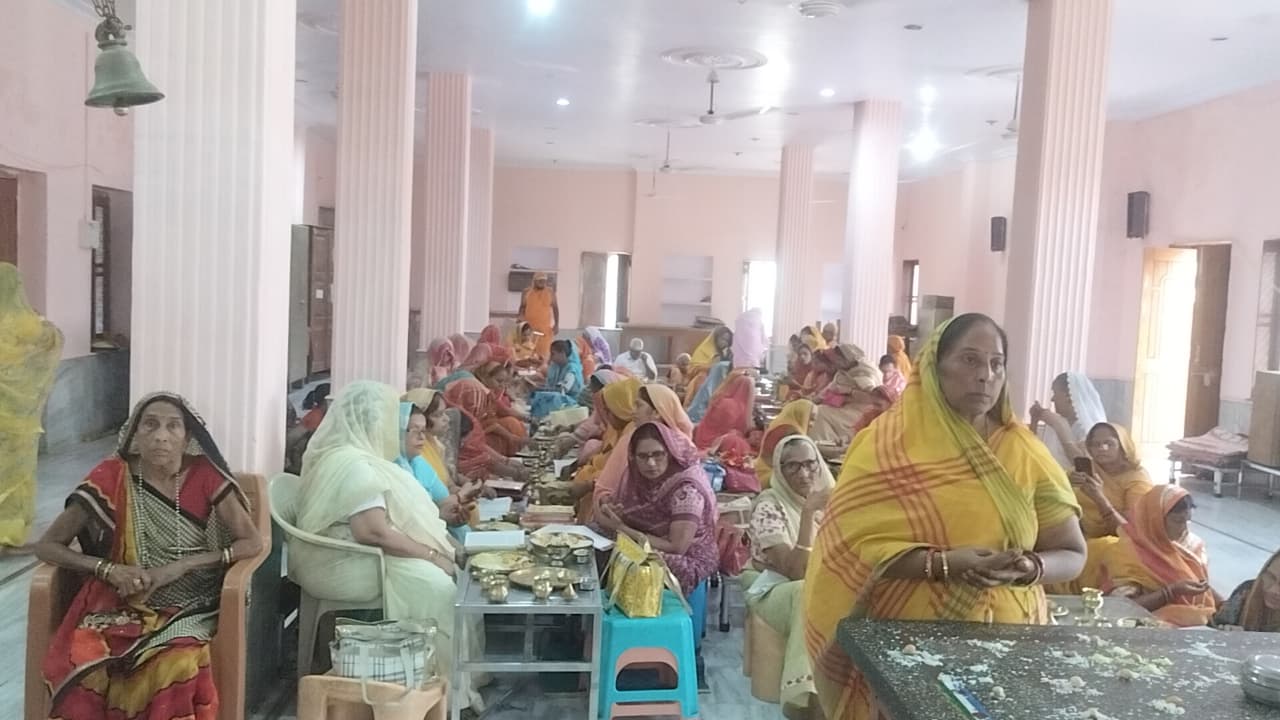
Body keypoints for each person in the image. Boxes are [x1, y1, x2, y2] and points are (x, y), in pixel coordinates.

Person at [804, 313, 1086, 719]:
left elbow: (1072, 552)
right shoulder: (886, 445)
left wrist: (1029, 567)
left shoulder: (1024, 451)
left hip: (1010, 645)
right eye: (969, 360)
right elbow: (848, 547)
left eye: (996, 363)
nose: (985, 375)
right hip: (909, 644)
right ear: (935, 368)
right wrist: (944, 564)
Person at [35, 393, 263, 720]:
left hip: (192, 601)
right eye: (150, 425)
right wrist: (107, 569)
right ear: (135, 434)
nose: (161, 436)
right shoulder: (113, 475)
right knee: (84, 656)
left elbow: (251, 542)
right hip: (122, 600)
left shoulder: (204, 474)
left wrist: (182, 566)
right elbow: (47, 546)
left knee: (176, 663)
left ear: (187, 437)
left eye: (173, 426)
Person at [294, 381, 484, 711]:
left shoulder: (358, 458)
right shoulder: (354, 466)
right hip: (344, 560)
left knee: (451, 575)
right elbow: (373, 532)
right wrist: (432, 555)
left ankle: (449, 685)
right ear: (371, 422)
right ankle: (443, 694)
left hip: (360, 550)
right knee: (439, 587)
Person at [744, 435, 835, 720]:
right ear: (779, 470)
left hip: (819, 582)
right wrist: (807, 513)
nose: (804, 473)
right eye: (792, 466)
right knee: (805, 592)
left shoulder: (831, 499)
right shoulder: (769, 505)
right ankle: (803, 698)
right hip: (770, 584)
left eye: (810, 464)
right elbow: (795, 570)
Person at [595, 422, 719, 596]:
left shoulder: (686, 490)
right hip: (645, 540)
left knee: (624, 556)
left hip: (687, 557)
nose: (651, 463)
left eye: (658, 454)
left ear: (670, 453)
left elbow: (676, 547)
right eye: (643, 456)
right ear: (633, 457)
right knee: (592, 538)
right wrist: (611, 510)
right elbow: (616, 510)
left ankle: (616, 605)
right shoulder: (635, 478)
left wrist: (621, 528)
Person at [1050, 422, 1154, 593]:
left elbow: (1130, 531)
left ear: (1123, 447)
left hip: (1118, 542)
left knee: (1105, 548)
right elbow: (1050, 496)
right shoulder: (1085, 471)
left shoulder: (1137, 479)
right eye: (1095, 444)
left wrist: (1099, 498)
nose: (1102, 448)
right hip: (1076, 534)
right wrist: (1065, 484)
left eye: (1109, 443)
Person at [1101, 485, 1220, 627]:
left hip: (1194, 620)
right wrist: (1170, 592)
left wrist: (1224, 605)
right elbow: (1120, 607)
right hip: (1145, 623)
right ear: (1155, 520)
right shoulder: (1127, 553)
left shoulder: (1191, 545)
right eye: (1178, 521)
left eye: (1188, 520)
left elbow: (1201, 584)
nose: (1184, 528)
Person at [594, 384, 694, 511]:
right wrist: (606, 502)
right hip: (626, 511)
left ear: (656, 412)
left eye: (639, 405)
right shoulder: (630, 439)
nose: (633, 411)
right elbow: (606, 487)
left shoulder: (683, 446)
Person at [397, 400, 479, 540]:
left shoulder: (418, 463)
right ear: (395, 432)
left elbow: (442, 500)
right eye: (414, 431)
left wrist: (454, 512)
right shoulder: (390, 469)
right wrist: (441, 515)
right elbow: (399, 525)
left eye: (423, 431)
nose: (422, 437)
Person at [569, 378, 640, 522]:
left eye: (609, 411)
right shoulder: (617, 430)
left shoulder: (631, 435)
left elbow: (620, 478)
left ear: (621, 410)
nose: (605, 416)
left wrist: (589, 484)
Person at [444, 378, 531, 482]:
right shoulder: (449, 422)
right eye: (471, 403)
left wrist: (505, 461)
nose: (475, 408)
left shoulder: (472, 419)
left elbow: (478, 448)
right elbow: (454, 469)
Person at [806, 344, 882, 447]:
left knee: (820, 412)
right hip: (846, 408)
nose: (835, 362)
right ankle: (825, 444)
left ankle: (828, 446)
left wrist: (849, 392)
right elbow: (826, 392)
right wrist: (808, 401)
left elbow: (873, 397)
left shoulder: (863, 372)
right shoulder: (843, 372)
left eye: (838, 359)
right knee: (814, 409)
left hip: (862, 411)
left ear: (847, 358)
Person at [1031, 371, 1108, 470]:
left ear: (1069, 397)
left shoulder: (1088, 428)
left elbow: (1084, 467)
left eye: (1055, 393)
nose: (1052, 399)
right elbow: (1034, 452)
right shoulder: (1055, 421)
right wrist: (1034, 421)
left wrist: (1060, 427)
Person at [754, 399, 816, 489]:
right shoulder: (791, 431)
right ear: (801, 415)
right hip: (770, 478)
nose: (812, 424)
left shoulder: (782, 423)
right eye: (810, 419)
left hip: (760, 472)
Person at [1216, 550, 1280, 631]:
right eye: (1271, 577)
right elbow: (1215, 626)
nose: (1273, 590)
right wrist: (1228, 630)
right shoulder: (1246, 592)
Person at [693, 372, 756, 451]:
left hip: (701, 436)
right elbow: (728, 430)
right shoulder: (735, 406)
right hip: (714, 442)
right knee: (739, 443)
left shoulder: (721, 399)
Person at [530, 339, 585, 418]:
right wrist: (538, 386)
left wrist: (541, 389)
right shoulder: (557, 367)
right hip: (560, 397)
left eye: (553, 354)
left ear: (562, 353)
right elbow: (552, 385)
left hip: (570, 401)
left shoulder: (572, 369)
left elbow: (562, 390)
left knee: (551, 398)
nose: (551, 357)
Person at [682, 325, 734, 405]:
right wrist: (712, 367)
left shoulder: (725, 354)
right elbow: (692, 369)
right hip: (701, 380)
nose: (724, 343)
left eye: (727, 341)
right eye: (722, 339)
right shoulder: (703, 350)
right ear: (715, 338)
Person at [518, 272, 558, 359]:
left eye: (544, 281)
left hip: (544, 331)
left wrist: (556, 325)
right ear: (534, 281)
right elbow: (522, 307)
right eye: (540, 281)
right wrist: (520, 318)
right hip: (529, 330)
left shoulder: (550, 292)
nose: (542, 283)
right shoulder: (526, 292)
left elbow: (555, 308)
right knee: (528, 355)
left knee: (543, 356)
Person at [733, 308, 770, 372]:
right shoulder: (759, 322)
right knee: (750, 376)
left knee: (739, 375)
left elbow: (735, 340)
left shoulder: (740, 320)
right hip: (753, 360)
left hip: (739, 361)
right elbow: (764, 340)